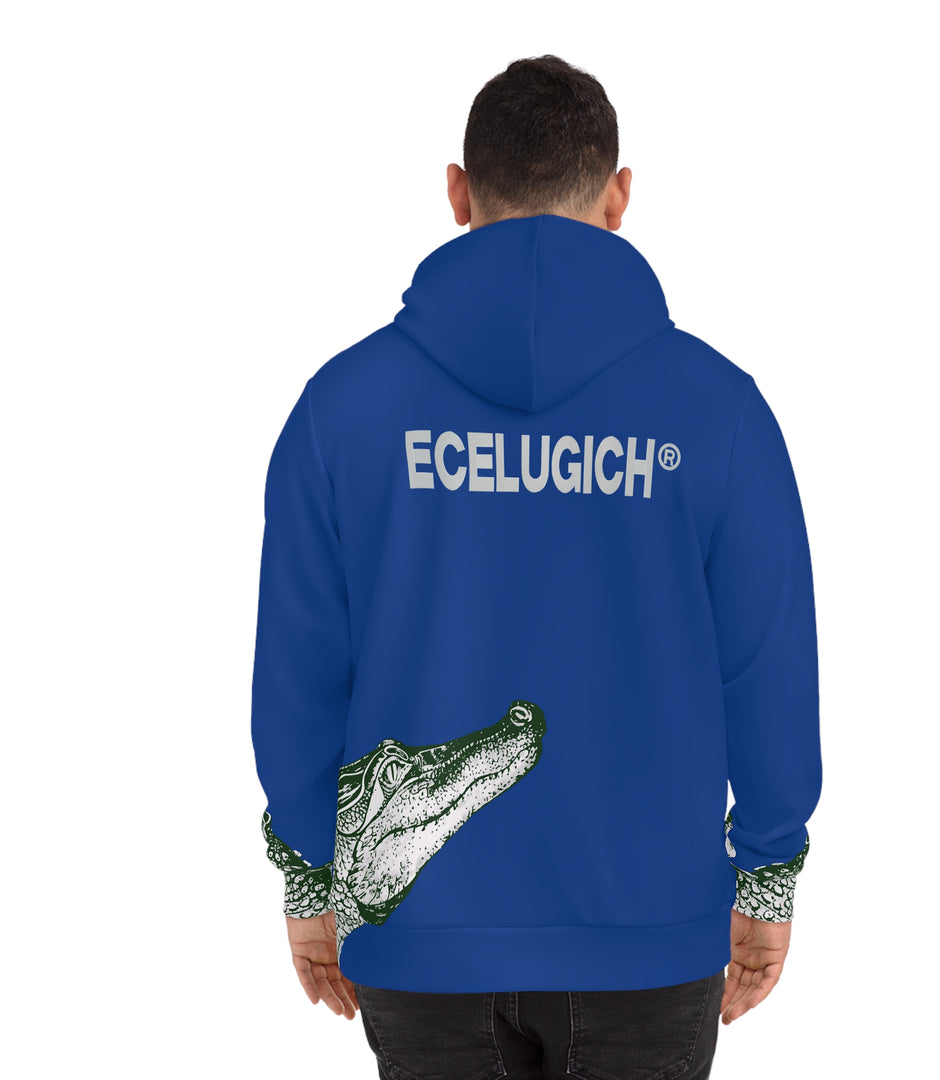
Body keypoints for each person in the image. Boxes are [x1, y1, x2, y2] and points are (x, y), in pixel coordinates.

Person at [251, 53, 822, 1079]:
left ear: (458, 194)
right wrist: (769, 874)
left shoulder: (343, 408)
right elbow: (768, 664)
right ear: (619, 198)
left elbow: (299, 673)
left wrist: (308, 873)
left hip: (422, 941)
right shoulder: (720, 409)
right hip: (652, 934)